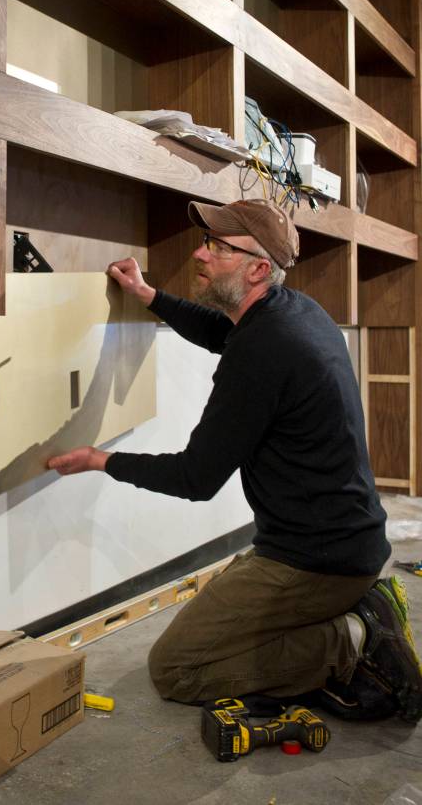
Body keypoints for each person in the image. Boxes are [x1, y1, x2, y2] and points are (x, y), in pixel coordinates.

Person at [47, 198, 422, 723]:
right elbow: (218, 331)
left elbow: (195, 478)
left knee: (177, 668)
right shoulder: (292, 313)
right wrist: (148, 295)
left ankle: (354, 636)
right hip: (340, 541)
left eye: (219, 248)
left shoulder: (266, 349)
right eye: (206, 242)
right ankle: (353, 613)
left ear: (258, 269)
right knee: (219, 635)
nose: (200, 254)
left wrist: (99, 459)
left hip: (317, 560)